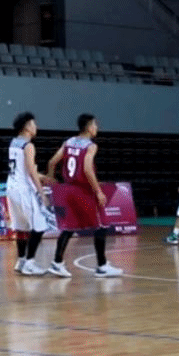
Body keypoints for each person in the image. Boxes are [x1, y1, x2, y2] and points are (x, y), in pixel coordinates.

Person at [45, 113, 123, 278]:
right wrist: (98, 191)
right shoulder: (90, 146)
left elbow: (51, 162)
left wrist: (51, 179)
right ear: (88, 127)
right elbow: (87, 169)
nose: (97, 128)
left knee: (69, 227)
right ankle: (102, 266)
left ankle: (57, 263)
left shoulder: (68, 142)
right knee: (101, 225)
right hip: (83, 191)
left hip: (68, 190)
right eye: (95, 125)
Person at [7, 112, 50, 276]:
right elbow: (31, 172)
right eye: (33, 124)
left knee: (21, 227)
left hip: (11, 188)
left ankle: (21, 261)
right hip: (23, 190)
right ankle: (30, 263)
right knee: (39, 226)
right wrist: (42, 193)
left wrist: (42, 176)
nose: (36, 127)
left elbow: (22, 169)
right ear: (26, 127)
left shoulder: (13, 143)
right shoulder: (28, 145)